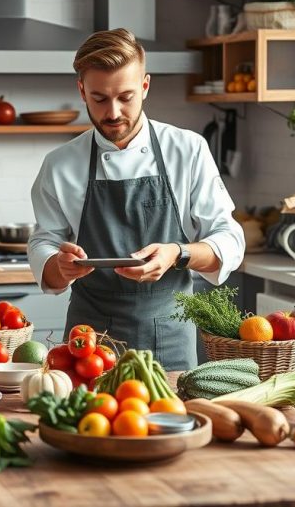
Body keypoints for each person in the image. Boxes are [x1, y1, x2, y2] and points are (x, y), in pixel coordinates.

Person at [27, 28, 245, 371]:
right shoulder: (60, 164)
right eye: (99, 98)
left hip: (170, 335)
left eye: (125, 96)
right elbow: (44, 242)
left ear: (144, 86)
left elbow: (230, 239)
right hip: (88, 342)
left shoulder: (187, 150)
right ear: (81, 90)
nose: (113, 112)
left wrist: (177, 253)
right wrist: (59, 265)